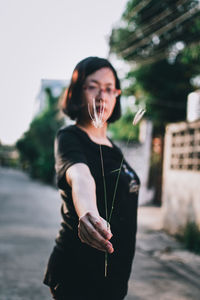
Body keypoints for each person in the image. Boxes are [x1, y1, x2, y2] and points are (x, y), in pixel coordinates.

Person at [43, 56, 140, 300]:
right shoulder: (69, 137)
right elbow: (81, 177)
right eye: (92, 86)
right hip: (78, 274)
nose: (101, 95)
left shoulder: (113, 148)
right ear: (77, 92)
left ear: (117, 96)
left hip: (114, 277)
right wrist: (89, 213)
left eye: (109, 89)